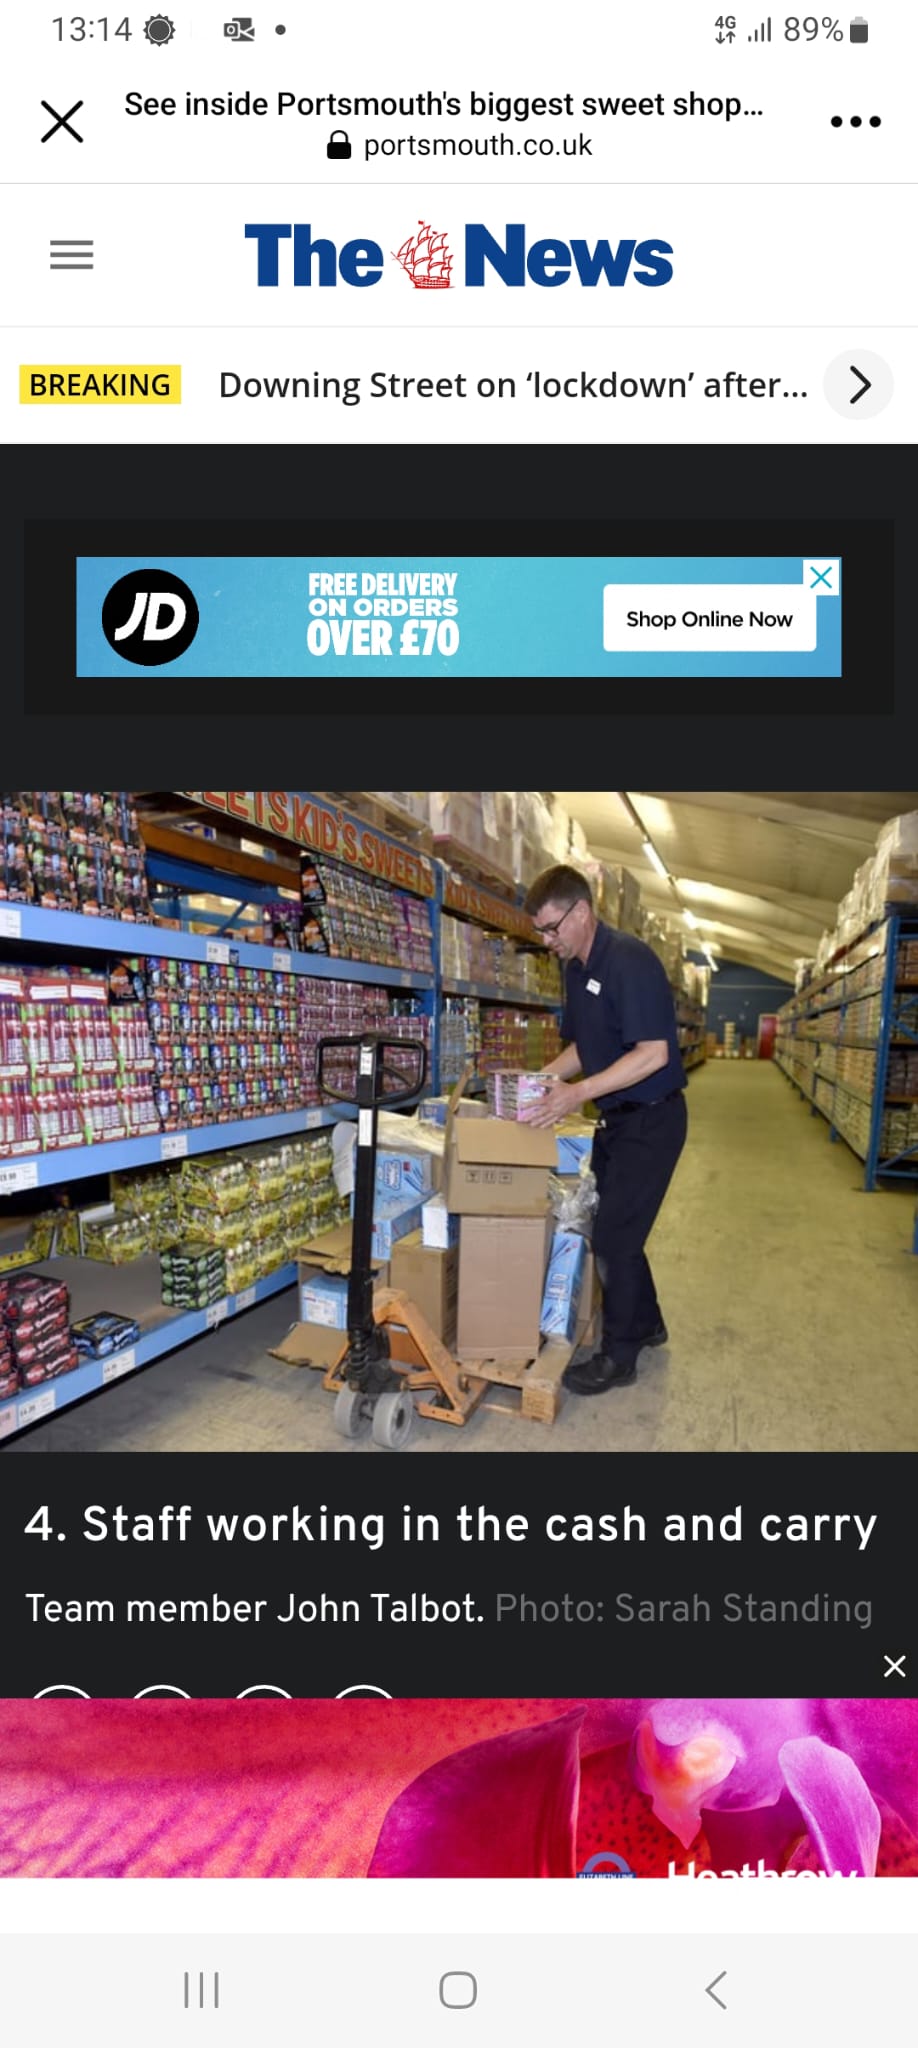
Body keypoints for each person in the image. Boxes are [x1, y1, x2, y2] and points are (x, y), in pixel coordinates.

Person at [520, 865, 687, 1395]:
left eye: (551, 928)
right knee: (619, 1229)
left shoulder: (630, 961)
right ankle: (648, 1323)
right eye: (540, 932)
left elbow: (653, 1054)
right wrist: (539, 1081)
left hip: (653, 1119)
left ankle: (619, 1356)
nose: (547, 941)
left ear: (582, 912)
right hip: (616, 1120)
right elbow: (584, 1047)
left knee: (615, 1239)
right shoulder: (576, 968)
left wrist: (576, 1094)